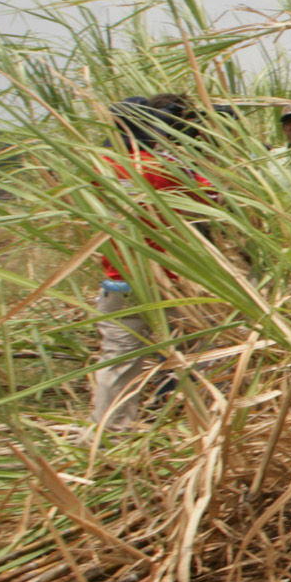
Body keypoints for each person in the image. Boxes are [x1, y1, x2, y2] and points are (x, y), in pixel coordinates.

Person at [93, 94, 213, 430]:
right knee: (197, 350)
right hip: (168, 282)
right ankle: (195, 423)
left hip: (118, 281)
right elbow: (212, 197)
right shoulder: (161, 167)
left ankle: (109, 433)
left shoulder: (100, 167)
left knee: (117, 361)